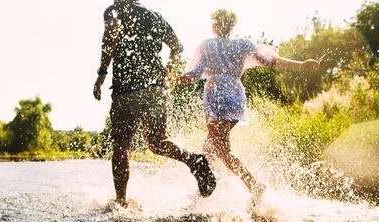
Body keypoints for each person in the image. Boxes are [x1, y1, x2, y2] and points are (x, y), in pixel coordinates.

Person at [173, 9, 320, 198]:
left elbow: (193, 75)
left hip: (217, 97)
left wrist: (173, 79)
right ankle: (204, 190)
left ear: (215, 25)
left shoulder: (207, 45)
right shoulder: (243, 44)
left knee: (222, 150)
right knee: (210, 146)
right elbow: (271, 61)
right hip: (235, 96)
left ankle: (253, 185)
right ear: (232, 25)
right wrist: (300, 65)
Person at [93, 0, 216, 207]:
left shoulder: (114, 10)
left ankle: (121, 202)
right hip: (155, 88)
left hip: (126, 88)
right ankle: (194, 160)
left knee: (121, 144)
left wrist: (102, 74)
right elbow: (178, 46)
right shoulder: (154, 15)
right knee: (159, 141)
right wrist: (168, 72)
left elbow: (110, 40)